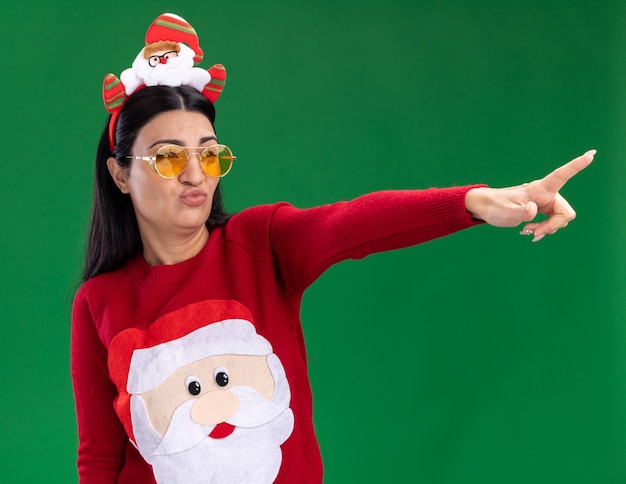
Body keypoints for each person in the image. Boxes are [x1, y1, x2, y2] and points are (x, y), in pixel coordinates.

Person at [71, 12, 595, 484]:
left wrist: (475, 202)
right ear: (120, 173)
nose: (194, 175)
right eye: (167, 157)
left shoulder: (260, 244)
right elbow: (100, 459)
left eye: (209, 156)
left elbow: (353, 223)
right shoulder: (98, 303)